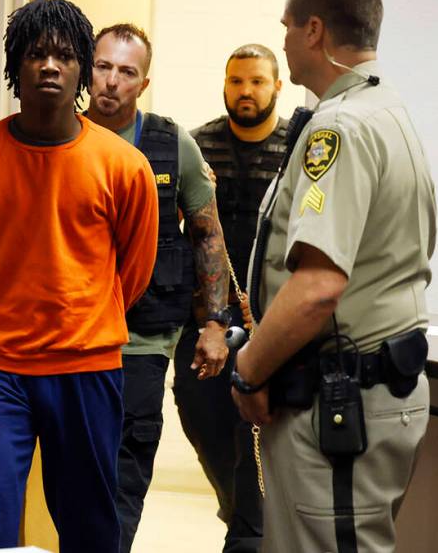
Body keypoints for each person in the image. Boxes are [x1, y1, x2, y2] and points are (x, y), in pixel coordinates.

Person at [232, 0, 436, 553]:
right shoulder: (386, 111)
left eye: (288, 27)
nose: (286, 40)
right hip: (366, 395)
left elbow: (319, 286)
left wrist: (248, 371)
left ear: (314, 30)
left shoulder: (341, 129)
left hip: (341, 404)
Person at [0, 0, 159, 553]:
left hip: (86, 366)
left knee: (89, 530)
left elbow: (131, 272)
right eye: (36, 53)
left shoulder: (122, 165)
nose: (49, 66)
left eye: (64, 55)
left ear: (83, 68)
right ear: (15, 63)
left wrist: (85, 310)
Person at [83, 23, 229, 553]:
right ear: (86, 67)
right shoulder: (61, 136)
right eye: (103, 66)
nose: (112, 81)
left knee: (125, 471)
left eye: (127, 72)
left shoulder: (172, 144)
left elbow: (208, 233)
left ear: (143, 84)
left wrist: (215, 324)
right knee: (77, 470)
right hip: (73, 341)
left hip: (143, 339)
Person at [173, 43, 290, 553]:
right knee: (201, 421)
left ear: (277, 87)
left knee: (255, 438)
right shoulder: (197, 147)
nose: (246, 91)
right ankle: (239, 512)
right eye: (236, 81)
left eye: (257, 81)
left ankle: (249, 529)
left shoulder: (296, 147)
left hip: (271, 325)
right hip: (203, 323)